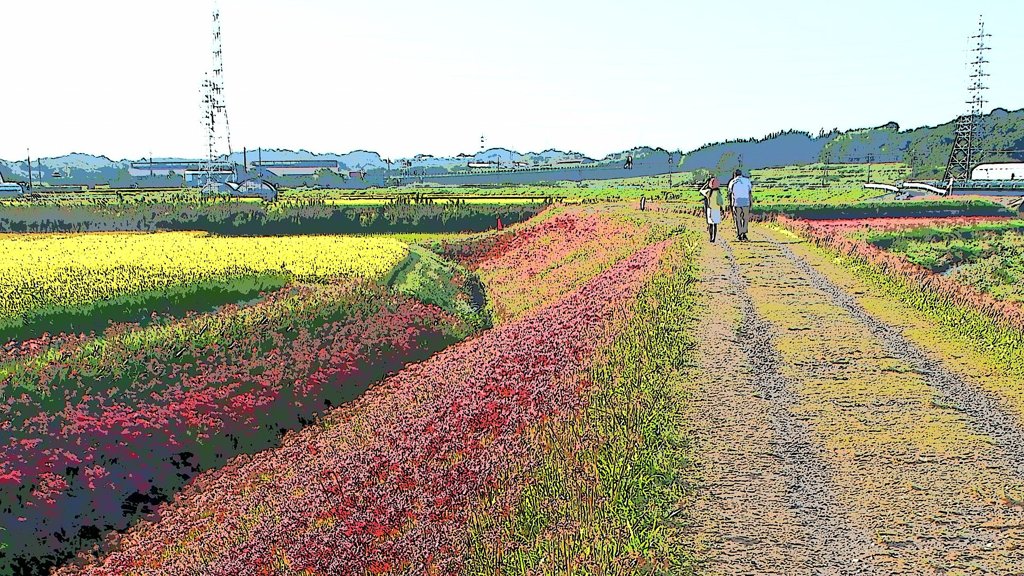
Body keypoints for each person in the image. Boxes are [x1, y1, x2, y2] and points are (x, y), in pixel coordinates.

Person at [728, 168, 754, 241]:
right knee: (745, 218)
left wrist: (730, 203)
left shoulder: (732, 182)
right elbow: (750, 192)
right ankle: (744, 234)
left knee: (738, 218)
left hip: (736, 202)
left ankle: (739, 234)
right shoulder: (747, 181)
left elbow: (730, 192)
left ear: (734, 175)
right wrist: (751, 202)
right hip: (746, 201)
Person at [699, 174, 723, 242]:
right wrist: (722, 209)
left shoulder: (708, 192)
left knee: (710, 224)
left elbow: (701, 190)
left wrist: (706, 184)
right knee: (715, 225)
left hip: (710, 209)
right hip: (716, 209)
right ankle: (714, 238)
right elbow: (720, 201)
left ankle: (710, 237)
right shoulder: (718, 192)